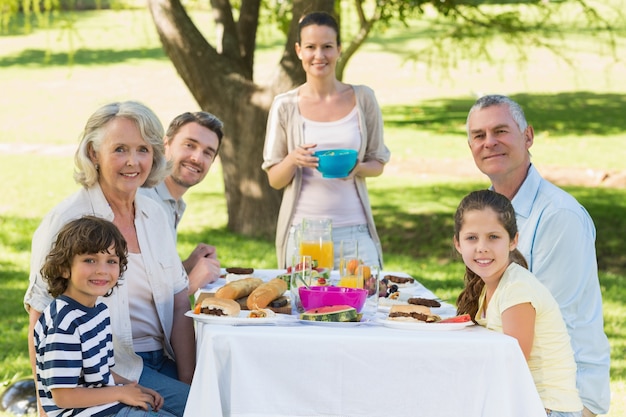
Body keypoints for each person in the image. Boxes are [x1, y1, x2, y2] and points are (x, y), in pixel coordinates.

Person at [24, 101, 195, 417]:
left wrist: (190, 382)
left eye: (143, 149)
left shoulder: (154, 214)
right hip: (107, 371)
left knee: (218, 403)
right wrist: (44, 408)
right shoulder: (67, 220)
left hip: (161, 360)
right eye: (120, 149)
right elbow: (40, 316)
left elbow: (179, 299)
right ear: (93, 154)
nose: (133, 161)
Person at [465, 94, 610, 416]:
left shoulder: (559, 216)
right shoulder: (487, 210)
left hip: (559, 393)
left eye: (500, 131)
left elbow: (548, 322)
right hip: (515, 376)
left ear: (527, 136)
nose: (489, 143)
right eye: (478, 135)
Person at [262, 11, 391, 269]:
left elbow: (377, 162)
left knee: (368, 304)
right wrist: (293, 159)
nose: (319, 55)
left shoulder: (363, 98)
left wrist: (357, 168)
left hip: (355, 231)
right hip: (304, 233)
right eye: (310, 47)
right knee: (304, 307)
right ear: (299, 50)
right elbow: (275, 179)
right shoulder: (285, 105)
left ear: (339, 49)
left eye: (327, 47)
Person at [454, 190, 582, 416]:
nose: (482, 246)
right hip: (523, 402)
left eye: (493, 237)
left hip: (546, 408)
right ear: (458, 244)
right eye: (472, 237)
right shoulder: (487, 287)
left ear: (513, 240)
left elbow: (513, 364)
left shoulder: (516, 289)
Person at [35, 216, 176, 417]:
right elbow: (63, 396)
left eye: (111, 261)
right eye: (90, 260)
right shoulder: (64, 321)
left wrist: (132, 387)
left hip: (107, 405)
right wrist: (120, 393)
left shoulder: (99, 311)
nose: (101, 270)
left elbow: (101, 373)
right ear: (64, 268)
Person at [139, 111, 224, 294]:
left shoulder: (173, 203)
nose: (197, 158)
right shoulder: (144, 203)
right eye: (189, 145)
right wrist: (191, 284)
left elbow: (155, 278)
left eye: (208, 153)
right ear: (165, 144)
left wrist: (186, 266)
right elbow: (139, 298)